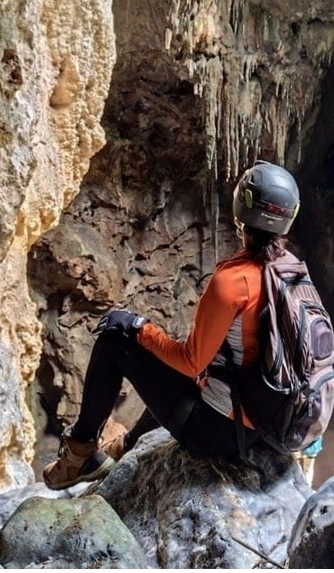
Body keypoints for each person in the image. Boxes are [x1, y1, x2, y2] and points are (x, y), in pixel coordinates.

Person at [43, 161, 301, 490]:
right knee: (179, 373)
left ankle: (79, 455)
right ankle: (128, 445)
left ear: (241, 209)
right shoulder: (292, 270)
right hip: (273, 423)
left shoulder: (232, 283)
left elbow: (191, 361)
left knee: (113, 341)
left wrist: (138, 326)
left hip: (220, 433)